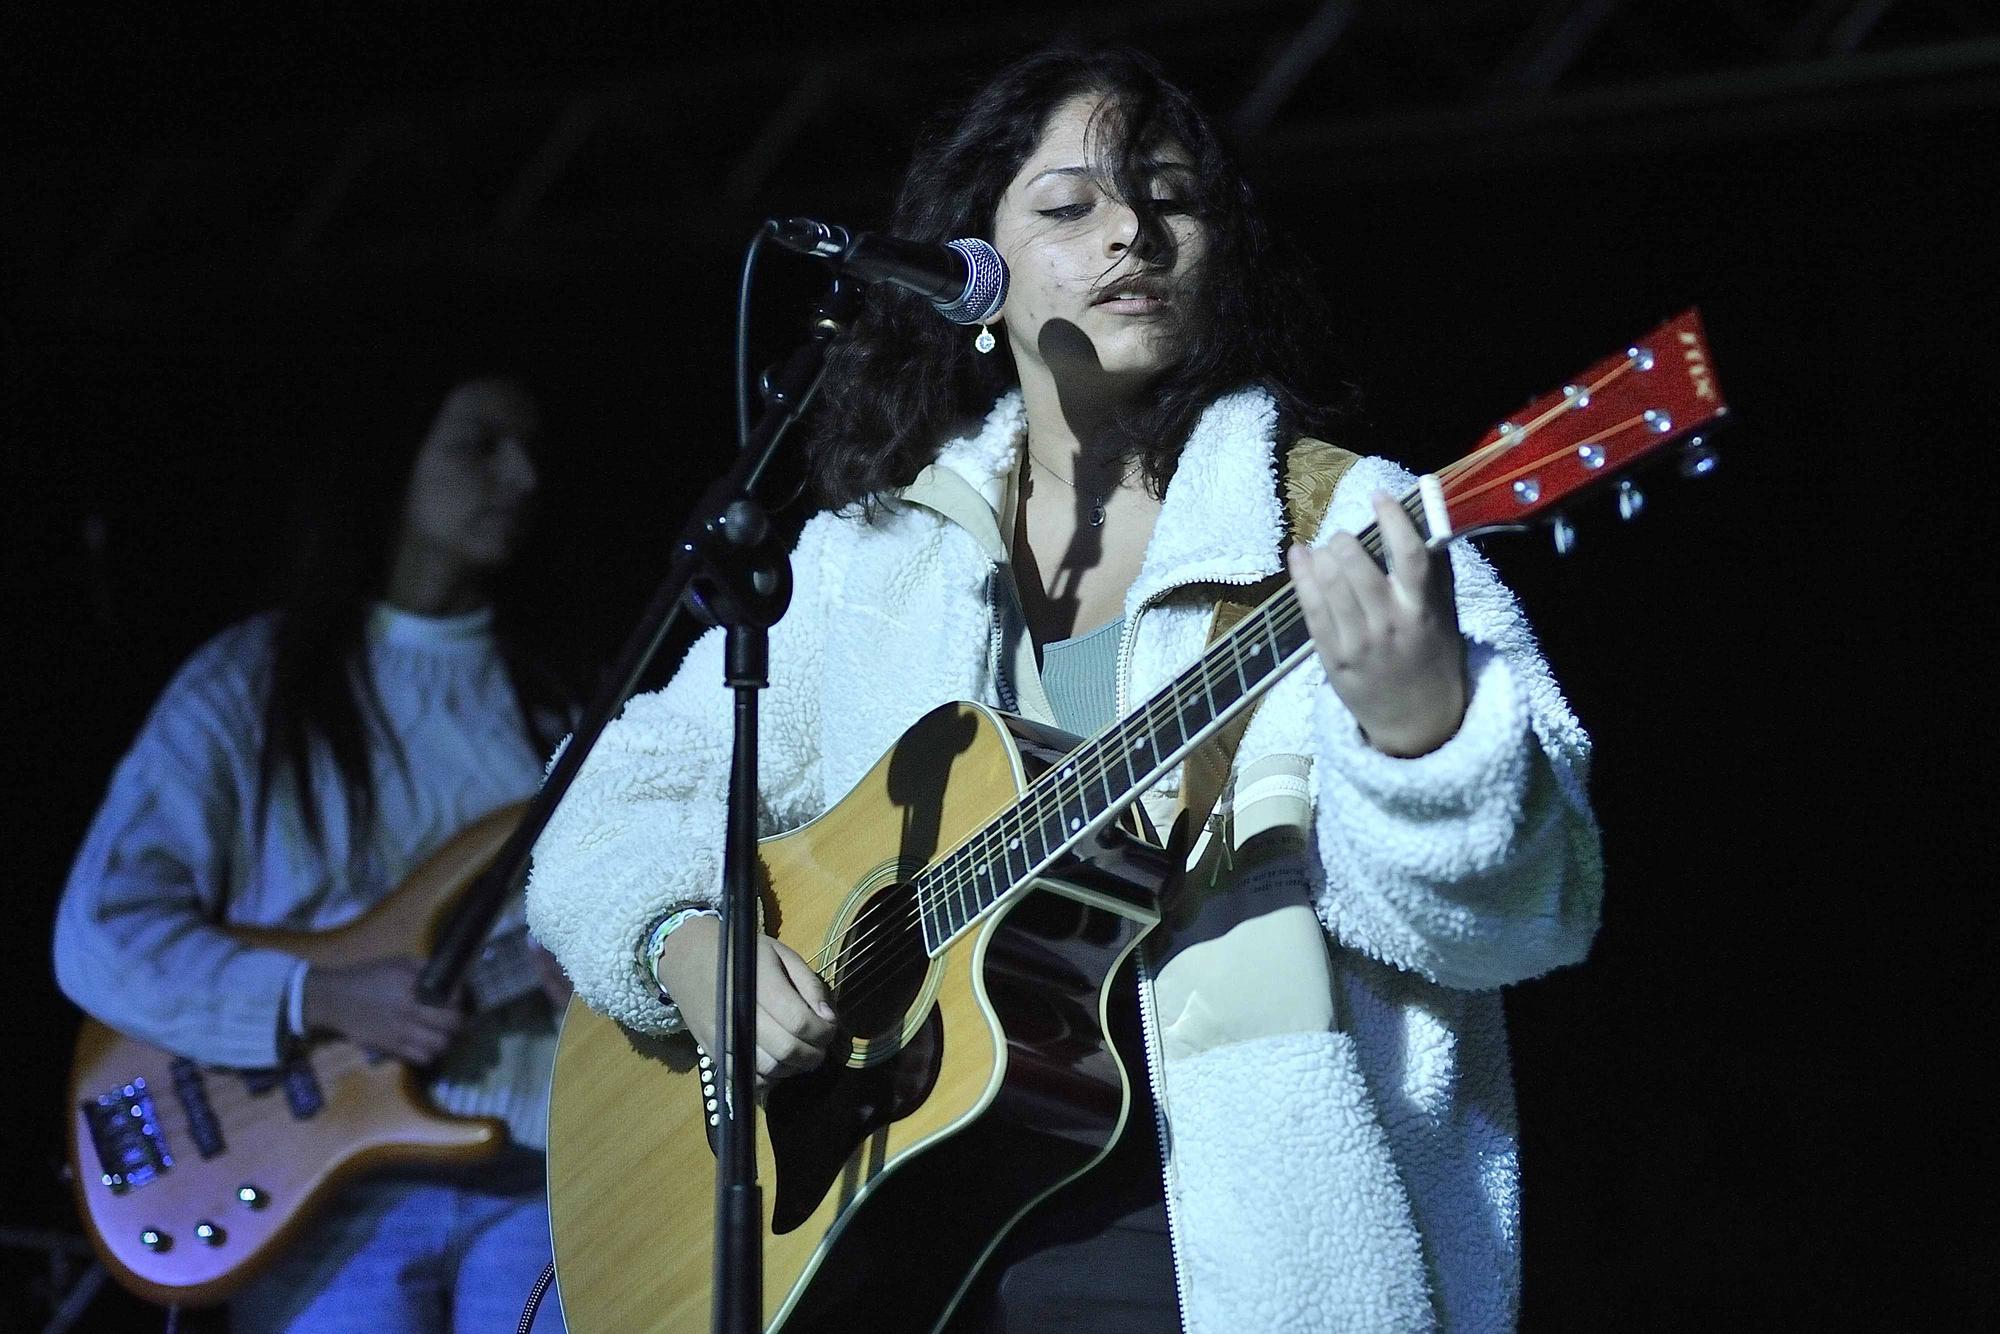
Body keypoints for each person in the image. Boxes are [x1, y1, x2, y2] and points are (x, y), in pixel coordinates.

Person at [527, 46, 1602, 1334]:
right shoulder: (874, 559)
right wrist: (683, 945)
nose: (1132, 231)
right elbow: (601, 795)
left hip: (1216, 1249)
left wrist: (1425, 736)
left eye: (1168, 198)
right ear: (971, 271)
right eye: (1068, 206)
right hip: (885, 1239)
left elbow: (1521, 916)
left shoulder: (1338, 523)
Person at [54, 370, 572, 1333]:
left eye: (531, 447)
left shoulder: (559, 710)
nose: (524, 474)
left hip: (530, 1179)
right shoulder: (250, 684)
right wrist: (319, 997)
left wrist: (607, 965)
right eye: (481, 443)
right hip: (320, 1202)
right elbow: (101, 931)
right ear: (395, 460)